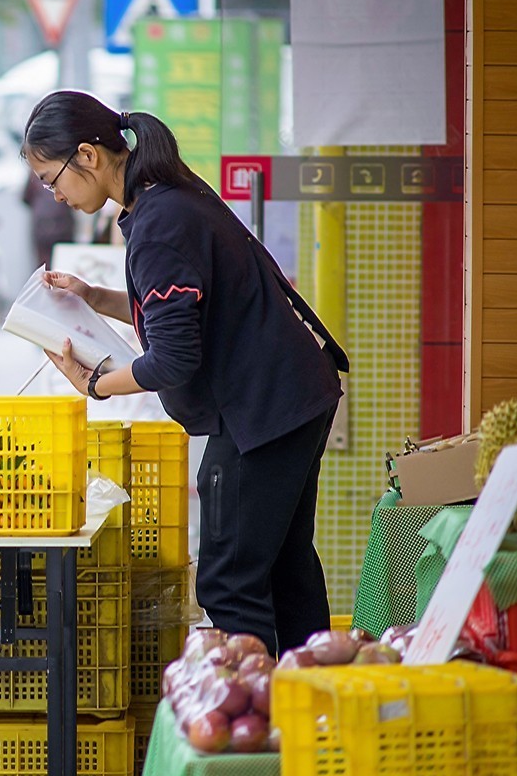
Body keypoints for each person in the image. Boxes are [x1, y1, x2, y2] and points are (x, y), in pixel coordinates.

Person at [21, 91, 350, 658]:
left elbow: (173, 359)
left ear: (88, 156)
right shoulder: (164, 199)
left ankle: (255, 722)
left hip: (261, 411)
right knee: (284, 566)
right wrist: (94, 296)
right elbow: (192, 310)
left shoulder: (159, 223)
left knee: (230, 581)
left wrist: (95, 384)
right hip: (292, 393)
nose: (54, 194)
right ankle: (312, 705)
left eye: (53, 179)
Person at [21, 172, 75, 269]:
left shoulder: (35, 173)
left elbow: (26, 198)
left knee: (44, 262)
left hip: (43, 224)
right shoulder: (65, 171)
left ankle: (46, 280)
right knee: (64, 259)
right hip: (63, 223)